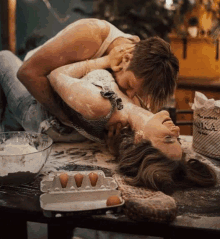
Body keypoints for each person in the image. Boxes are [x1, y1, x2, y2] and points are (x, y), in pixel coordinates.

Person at [0, 51, 216, 194]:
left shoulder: (103, 106)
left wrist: (103, 61)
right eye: (177, 137)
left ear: (140, 138)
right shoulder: (139, 112)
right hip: (60, 123)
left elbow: (55, 74)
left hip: (37, 112)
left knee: (4, 57)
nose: (176, 129)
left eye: (169, 138)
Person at [17, 18, 179, 131]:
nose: (130, 96)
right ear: (126, 59)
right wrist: (66, 119)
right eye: (130, 86)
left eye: (137, 94)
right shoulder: (90, 35)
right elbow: (27, 73)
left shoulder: (141, 66)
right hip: (34, 81)